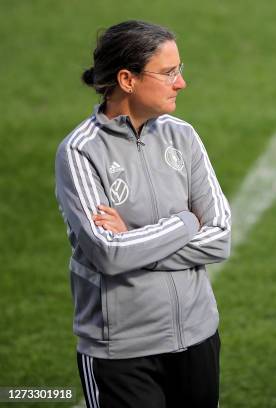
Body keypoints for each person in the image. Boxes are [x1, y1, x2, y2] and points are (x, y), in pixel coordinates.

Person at [54, 20, 231, 408]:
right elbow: (108, 254)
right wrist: (185, 223)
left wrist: (136, 243)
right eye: (169, 73)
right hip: (121, 352)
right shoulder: (80, 151)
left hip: (197, 337)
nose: (180, 83)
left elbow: (219, 237)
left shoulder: (182, 136)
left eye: (179, 70)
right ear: (127, 80)